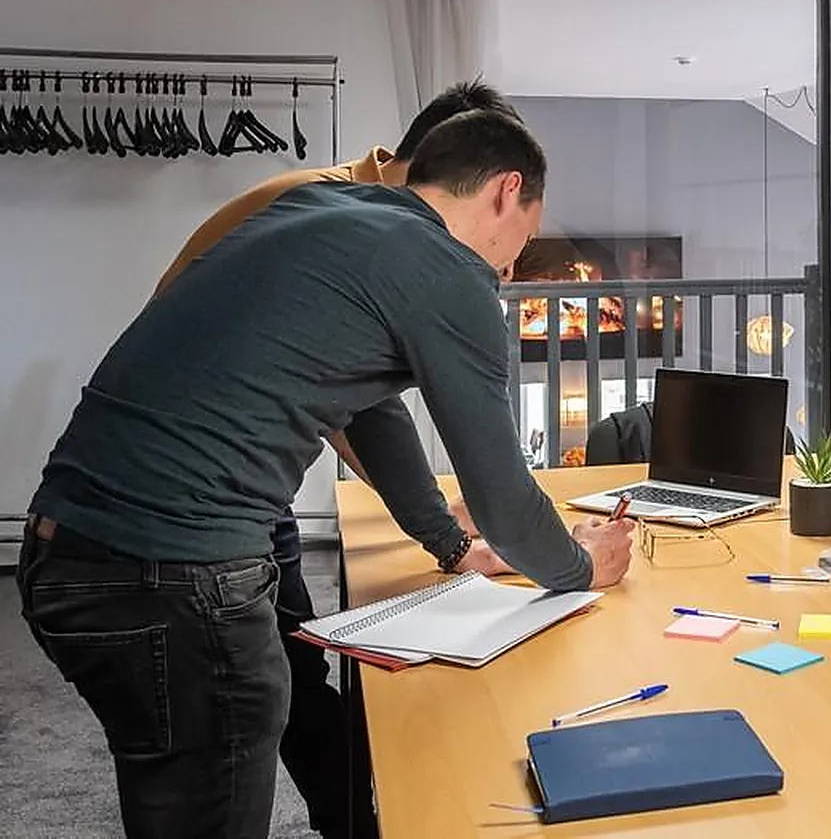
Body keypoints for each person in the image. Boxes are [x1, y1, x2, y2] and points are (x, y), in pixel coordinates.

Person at [17, 108, 636, 839]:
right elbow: (501, 494)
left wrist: (447, 543)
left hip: (64, 548)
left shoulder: (321, 208)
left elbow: (371, 415)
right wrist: (580, 567)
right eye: (521, 244)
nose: (506, 269)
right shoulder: (448, 268)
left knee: (178, 779)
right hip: (174, 576)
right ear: (507, 191)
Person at [149, 79, 520, 839]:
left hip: (232, 489)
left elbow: (354, 398)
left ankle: (354, 820)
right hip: (191, 502)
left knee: (288, 671)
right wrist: (449, 535)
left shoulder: (350, 207)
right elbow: (364, 410)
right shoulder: (331, 212)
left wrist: (439, 528)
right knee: (251, 694)